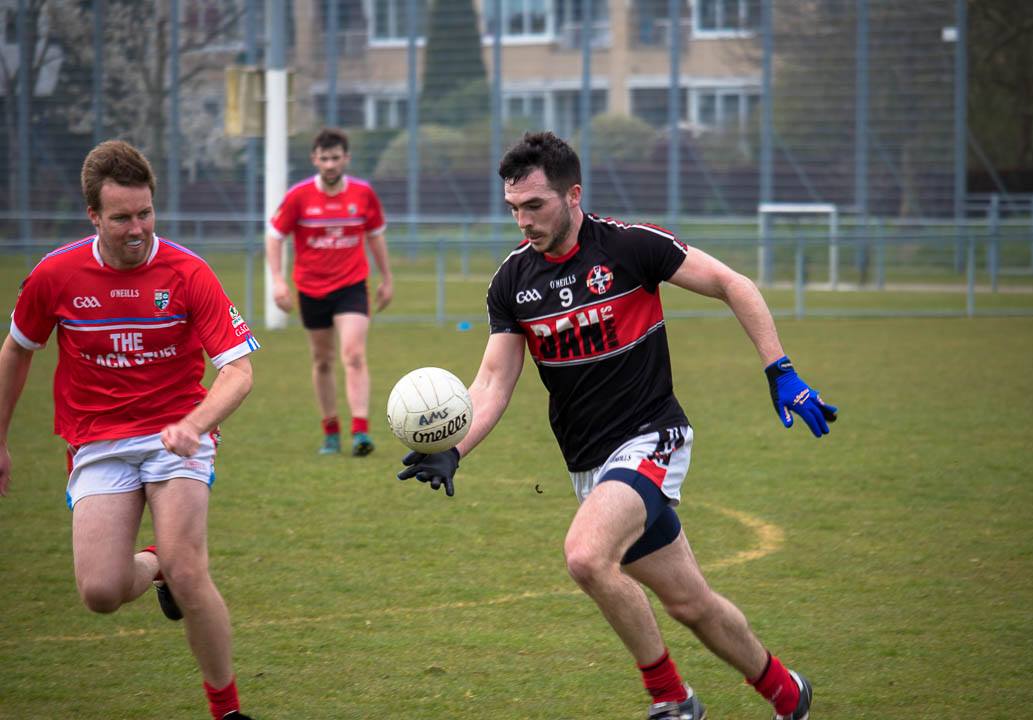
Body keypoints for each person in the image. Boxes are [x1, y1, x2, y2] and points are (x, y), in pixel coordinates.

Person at [398, 132, 837, 720]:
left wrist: (780, 369)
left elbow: (734, 284)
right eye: (513, 209)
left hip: (653, 436)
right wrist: (456, 449)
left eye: (535, 206)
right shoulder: (511, 283)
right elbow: (494, 381)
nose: (523, 221)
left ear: (573, 195)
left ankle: (671, 700)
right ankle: (788, 691)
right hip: (591, 465)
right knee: (691, 603)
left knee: (585, 555)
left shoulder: (633, 248)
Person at [0, 140, 259, 720]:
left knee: (191, 570)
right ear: (93, 215)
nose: (137, 228)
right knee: (100, 593)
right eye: (121, 218)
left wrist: (196, 422)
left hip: (178, 436)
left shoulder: (189, 273)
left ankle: (227, 710)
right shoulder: (55, 275)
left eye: (145, 213)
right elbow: (17, 352)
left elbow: (238, 373)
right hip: (98, 444)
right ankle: (154, 562)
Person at [266, 127, 393, 456]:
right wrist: (278, 280)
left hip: (351, 286)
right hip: (311, 288)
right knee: (323, 360)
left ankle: (360, 432)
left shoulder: (363, 194)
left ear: (346, 158)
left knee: (353, 354)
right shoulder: (299, 196)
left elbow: (376, 236)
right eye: (324, 158)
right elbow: (274, 235)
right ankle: (331, 431)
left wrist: (387, 278)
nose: (330, 164)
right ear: (315, 160)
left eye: (336, 158)